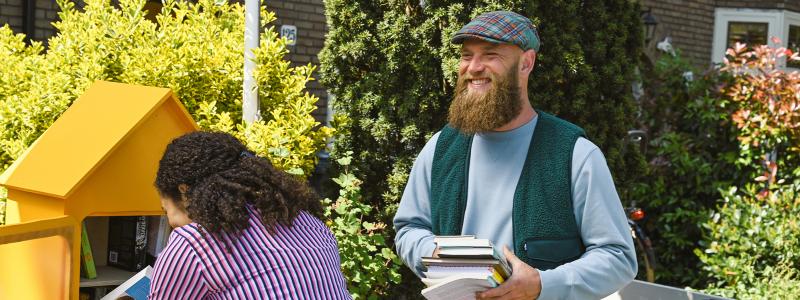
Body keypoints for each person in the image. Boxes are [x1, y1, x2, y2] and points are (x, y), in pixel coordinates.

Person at [393, 11, 637, 299]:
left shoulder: (575, 155)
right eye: (466, 55)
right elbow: (409, 227)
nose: (473, 67)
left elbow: (618, 257)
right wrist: (434, 253)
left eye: (490, 54)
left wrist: (543, 285)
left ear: (526, 62)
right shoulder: (441, 147)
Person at [150, 131, 351, 299]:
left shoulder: (193, 243)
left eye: (165, 210)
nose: (170, 222)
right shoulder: (309, 222)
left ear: (185, 193)